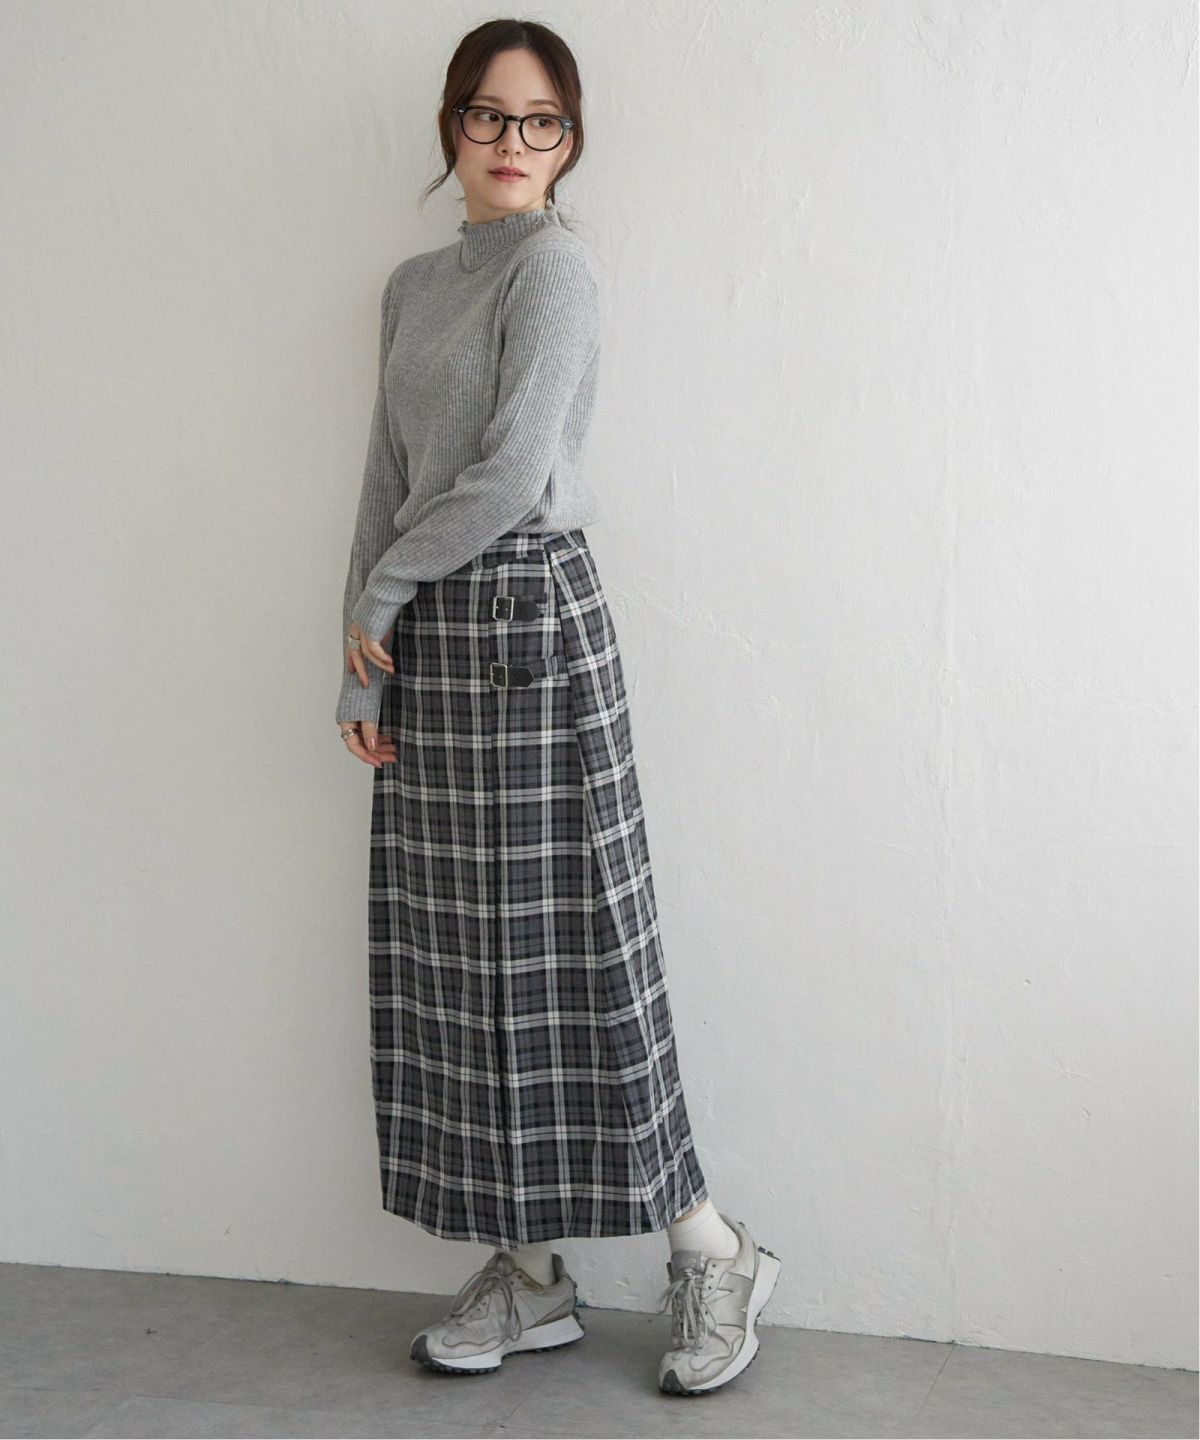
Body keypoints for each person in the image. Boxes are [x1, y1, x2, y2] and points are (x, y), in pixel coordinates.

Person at [335, 18, 780, 1396]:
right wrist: (362, 648)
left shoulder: (558, 268)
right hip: (428, 634)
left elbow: (518, 468)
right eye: (487, 115)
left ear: (569, 140)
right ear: (450, 128)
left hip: (529, 618)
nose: (512, 142)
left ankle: (712, 1248)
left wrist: (389, 591)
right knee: (464, 963)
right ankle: (530, 1274)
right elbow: (387, 475)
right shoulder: (414, 287)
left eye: (540, 121)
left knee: (585, 950)